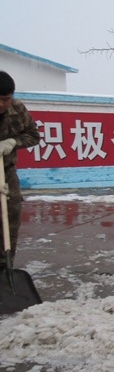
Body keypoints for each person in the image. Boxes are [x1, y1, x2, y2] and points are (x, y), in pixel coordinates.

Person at [0, 72, 40, 268]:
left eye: (6, 99)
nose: (1, 104)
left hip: (6, 173)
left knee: (9, 223)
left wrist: (13, 142)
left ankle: (5, 269)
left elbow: (33, 135)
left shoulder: (17, 109)